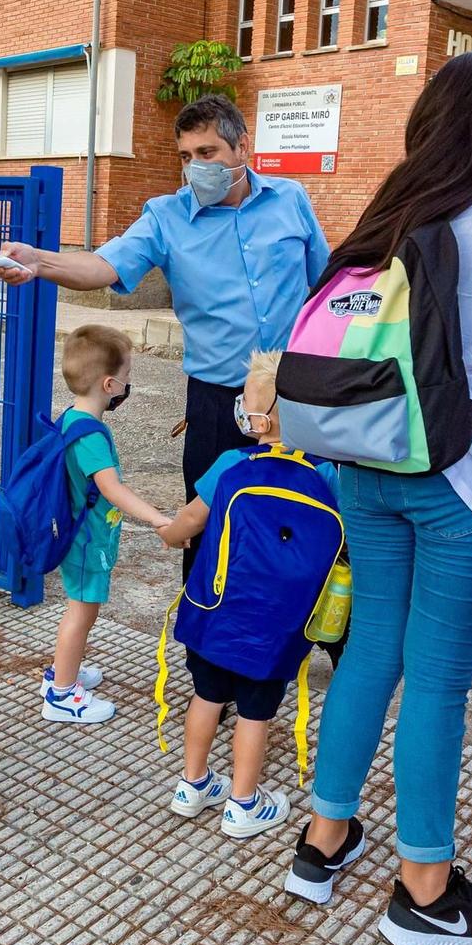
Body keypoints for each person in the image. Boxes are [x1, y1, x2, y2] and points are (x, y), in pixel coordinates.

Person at [284, 50, 472, 945]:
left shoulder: (395, 202)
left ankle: (323, 840)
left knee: (371, 649)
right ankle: (424, 891)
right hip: (471, 484)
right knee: (439, 683)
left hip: (369, 463)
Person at [0, 95, 330, 573]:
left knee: (303, 521)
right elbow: (105, 264)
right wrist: (41, 261)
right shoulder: (166, 217)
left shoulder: (291, 200)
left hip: (294, 395)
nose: (195, 168)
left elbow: (326, 284)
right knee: (212, 529)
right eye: (186, 157)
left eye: (208, 153)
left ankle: (291, 635)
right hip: (218, 404)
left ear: (243, 149)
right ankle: (205, 640)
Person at [157, 350, 340, 839]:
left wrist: (170, 533)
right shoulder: (326, 474)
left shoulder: (232, 462)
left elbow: (190, 521)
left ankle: (191, 784)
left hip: (215, 615)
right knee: (255, 714)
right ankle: (243, 803)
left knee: (205, 696)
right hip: (276, 628)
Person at [43, 324, 171, 725]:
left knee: (82, 609)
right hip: (86, 541)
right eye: (129, 377)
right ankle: (61, 694)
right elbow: (112, 490)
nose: (130, 383)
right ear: (111, 384)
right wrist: (156, 517)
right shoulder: (91, 436)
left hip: (82, 535)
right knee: (81, 611)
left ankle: (65, 669)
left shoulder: (72, 418)